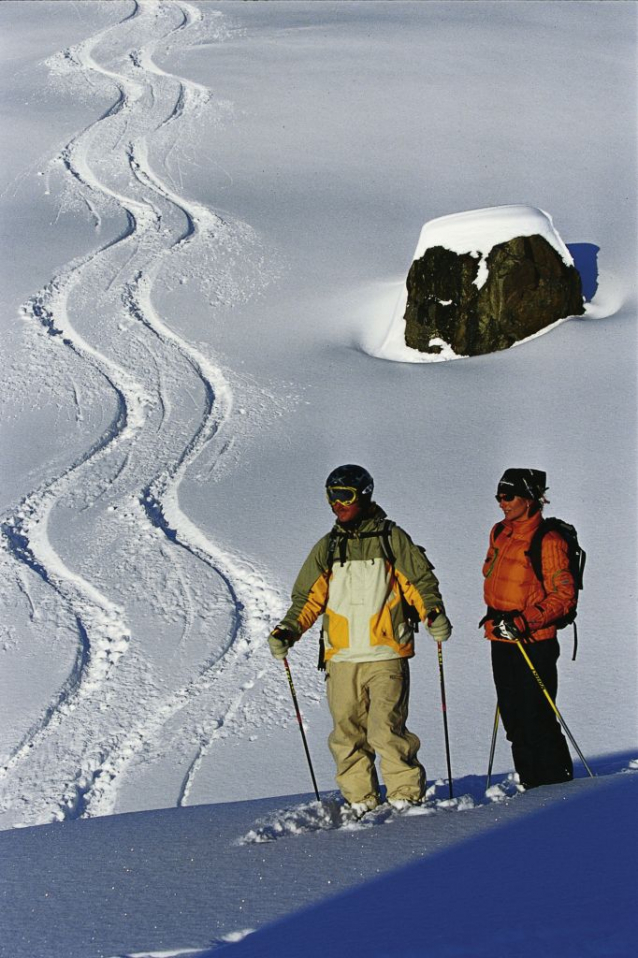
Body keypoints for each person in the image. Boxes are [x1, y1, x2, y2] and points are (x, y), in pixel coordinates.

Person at [268, 464, 452, 816]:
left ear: (363, 495)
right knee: (346, 735)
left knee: (386, 730)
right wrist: (288, 631)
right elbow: (307, 599)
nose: (336, 504)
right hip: (341, 659)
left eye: (344, 496)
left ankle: (405, 798)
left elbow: (420, 583)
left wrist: (433, 613)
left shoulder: (391, 538)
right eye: (331, 496)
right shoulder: (328, 547)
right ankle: (360, 801)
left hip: (386, 652)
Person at [481, 467, 574, 789]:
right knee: (515, 722)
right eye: (499, 496)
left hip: (533, 642)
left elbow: (564, 597)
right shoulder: (500, 532)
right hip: (501, 638)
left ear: (531, 499)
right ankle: (532, 787)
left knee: (537, 720)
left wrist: (522, 621)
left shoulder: (549, 540)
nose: (501, 503)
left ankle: (558, 788)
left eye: (508, 496)